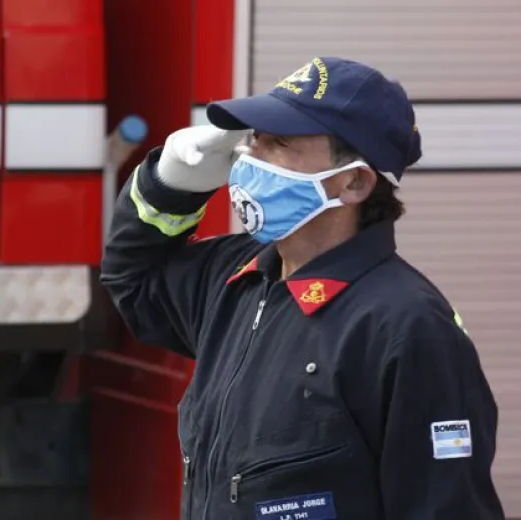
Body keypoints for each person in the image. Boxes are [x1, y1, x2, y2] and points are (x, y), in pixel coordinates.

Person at [100, 56, 505, 519]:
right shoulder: (234, 277)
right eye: (255, 138)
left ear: (353, 182)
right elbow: (133, 280)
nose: (249, 157)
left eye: (279, 143)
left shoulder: (406, 326)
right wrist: (168, 186)